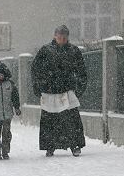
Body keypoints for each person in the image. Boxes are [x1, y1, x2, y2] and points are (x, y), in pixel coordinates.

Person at [31, 25, 88, 157]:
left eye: (64, 37)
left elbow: (81, 71)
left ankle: (75, 145)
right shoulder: (45, 50)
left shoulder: (74, 51)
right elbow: (35, 69)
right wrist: (38, 86)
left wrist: (78, 90)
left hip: (67, 91)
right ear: (54, 36)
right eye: (59, 37)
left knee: (71, 120)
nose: (61, 39)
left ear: (67, 37)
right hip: (49, 91)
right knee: (49, 121)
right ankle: (49, 146)